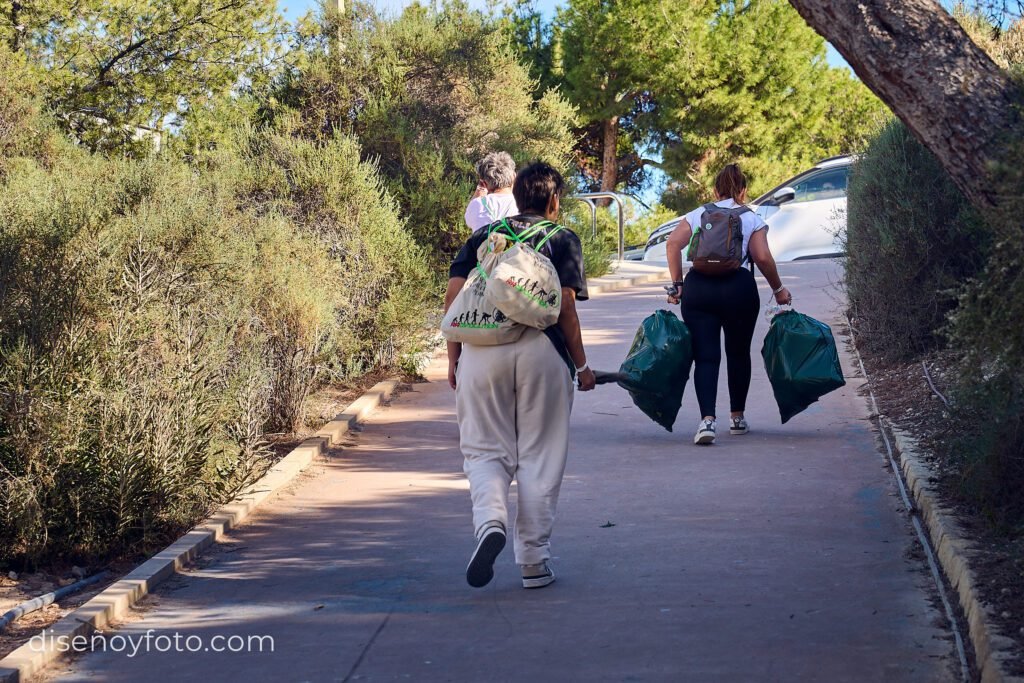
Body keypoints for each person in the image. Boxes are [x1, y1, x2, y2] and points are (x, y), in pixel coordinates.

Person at [445, 161, 596, 590]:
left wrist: (454, 357)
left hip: (480, 350)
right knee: (540, 455)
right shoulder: (562, 237)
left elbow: (455, 296)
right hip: (542, 352)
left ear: (516, 197)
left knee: (483, 449)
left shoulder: (483, 237)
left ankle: (490, 521)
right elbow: (565, 305)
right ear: (553, 200)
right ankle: (533, 560)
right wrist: (582, 366)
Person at [665, 163, 793, 446]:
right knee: (738, 354)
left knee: (706, 356)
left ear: (715, 189)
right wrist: (779, 289)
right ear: (743, 191)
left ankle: (707, 422)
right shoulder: (752, 218)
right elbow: (761, 257)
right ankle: (737, 418)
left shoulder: (699, 213)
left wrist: (678, 284)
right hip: (739, 289)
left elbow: (673, 244)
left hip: (699, 289)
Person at [465, 151, 519, 231]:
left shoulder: (477, 204)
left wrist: (479, 191)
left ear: (484, 183)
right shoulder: (523, 205)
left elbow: (468, 219)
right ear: (514, 176)